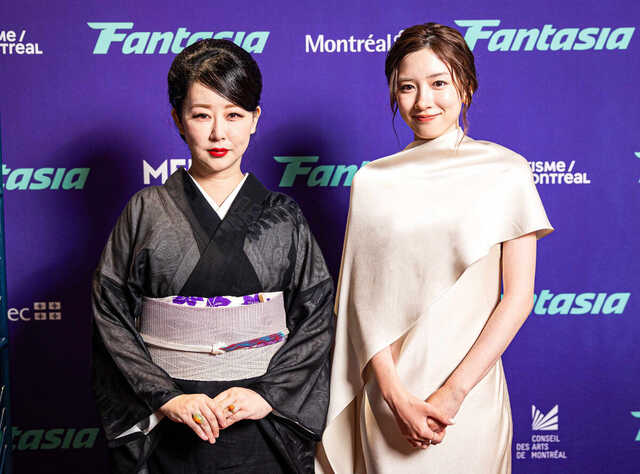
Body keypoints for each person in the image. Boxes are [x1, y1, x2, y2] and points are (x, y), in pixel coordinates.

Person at [318, 23, 553, 473]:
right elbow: (360, 304)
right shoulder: (373, 181)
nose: (423, 101)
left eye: (439, 83)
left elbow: (519, 297)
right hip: (390, 399)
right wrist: (393, 396)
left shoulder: (506, 171)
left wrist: (453, 393)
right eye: (408, 87)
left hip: (470, 399)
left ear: (466, 85)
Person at [92, 38, 334, 473]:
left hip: (259, 420)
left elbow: (317, 315)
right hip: (171, 420)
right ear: (178, 120)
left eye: (234, 115)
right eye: (202, 115)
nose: (219, 132)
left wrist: (267, 395)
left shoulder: (284, 216)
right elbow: (110, 314)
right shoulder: (145, 211)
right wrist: (167, 398)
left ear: (255, 119)